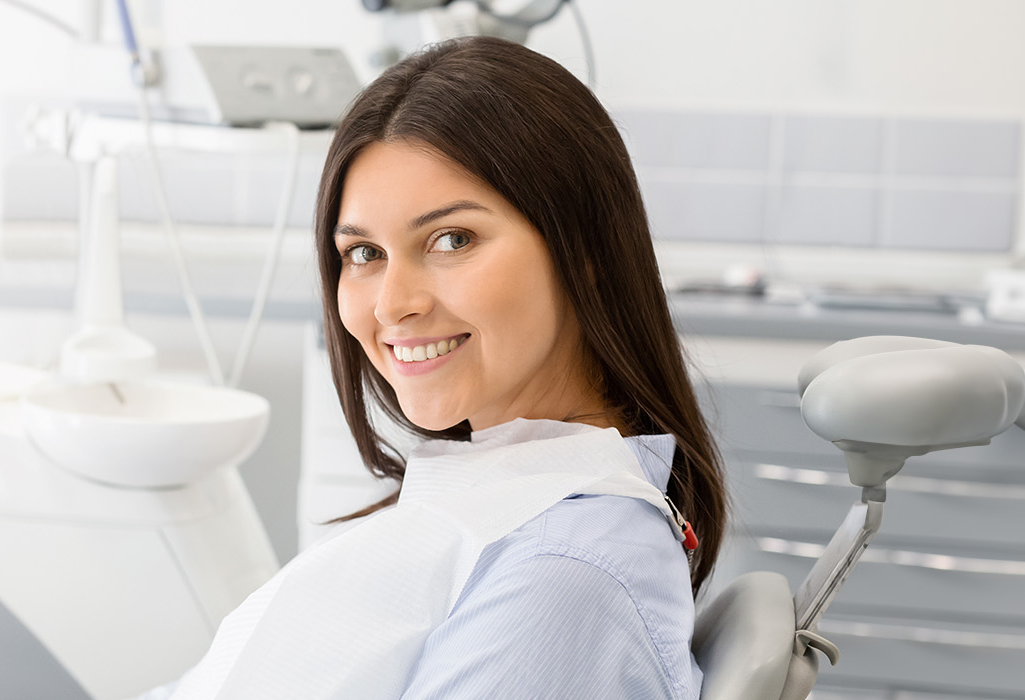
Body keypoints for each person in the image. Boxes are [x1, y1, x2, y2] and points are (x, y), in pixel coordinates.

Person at [135, 36, 727, 700]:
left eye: (451, 240)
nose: (393, 305)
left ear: (583, 249)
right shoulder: (518, 497)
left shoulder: (564, 575)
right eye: (363, 253)